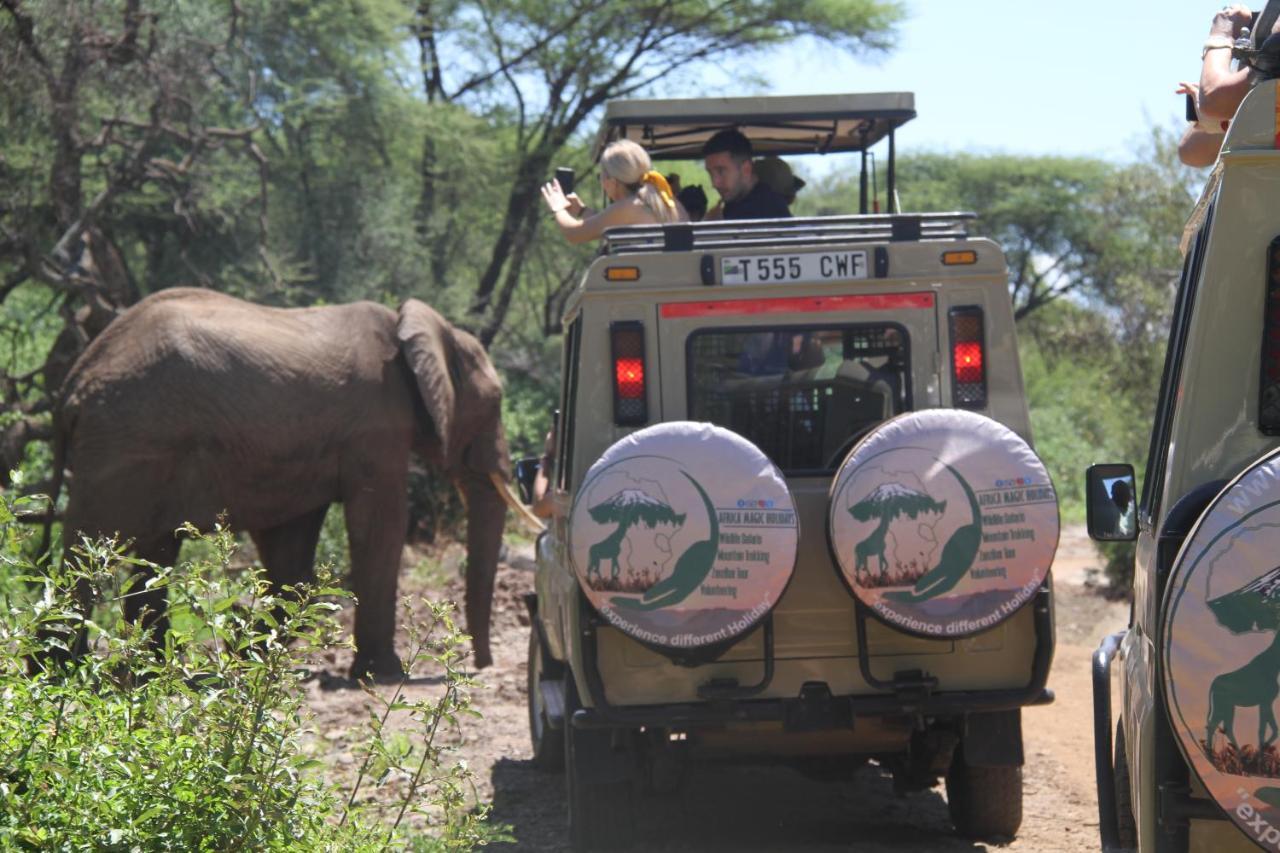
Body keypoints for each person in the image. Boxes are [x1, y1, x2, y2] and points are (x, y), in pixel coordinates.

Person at [540, 139, 684, 243]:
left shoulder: (629, 207)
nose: (601, 182)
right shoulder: (668, 202)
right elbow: (609, 222)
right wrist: (582, 211)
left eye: (601, 176)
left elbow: (574, 233)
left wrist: (558, 207)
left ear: (612, 182)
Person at [701, 129, 791, 220]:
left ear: (746, 169)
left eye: (721, 171)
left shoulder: (767, 209)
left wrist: (715, 226)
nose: (714, 183)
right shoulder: (734, 202)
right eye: (710, 173)